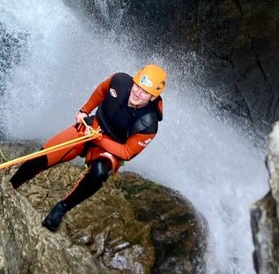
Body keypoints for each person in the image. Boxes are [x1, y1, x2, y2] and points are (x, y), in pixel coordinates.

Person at [10, 64, 165, 231]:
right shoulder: (119, 81)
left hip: (110, 148)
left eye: (145, 92)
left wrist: (99, 141)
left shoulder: (148, 125)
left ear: (152, 97)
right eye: (137, 86)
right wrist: (84, 111)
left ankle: (62, 208)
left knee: (98, 173)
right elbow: (101, 91)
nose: (137, 92)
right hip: (91, 127)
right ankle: (11, 185)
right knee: (44, 156)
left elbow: (126, 152)